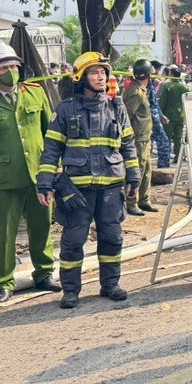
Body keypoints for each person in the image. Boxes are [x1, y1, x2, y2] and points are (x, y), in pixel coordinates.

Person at [36, 52, 140, 308]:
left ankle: (110, 285)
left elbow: (128, 144)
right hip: (77, 191)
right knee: (72, 243)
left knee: (112, 238)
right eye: (94, 72)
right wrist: (45, 183)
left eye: (103, 72)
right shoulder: (65, 110)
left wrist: (134, 176)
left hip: (111, 188)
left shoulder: (117, 107)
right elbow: (51, 150)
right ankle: (70, 290)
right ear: (81, 77)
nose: (101, 76)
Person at [0, 43, 59, 302]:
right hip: (4, 179)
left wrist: (53, 170)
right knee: (4, 233)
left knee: (42, 226)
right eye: (3, 67)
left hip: (38, 175)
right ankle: (5, 281)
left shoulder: (35, 93)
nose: (10, 71)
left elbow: (50, 135)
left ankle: (44, 273)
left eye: (13, 65)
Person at [122, 59, 156, 216]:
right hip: (137, 140)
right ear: (149, 75)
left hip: (145, 138)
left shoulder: (141, 90)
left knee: (147, 170)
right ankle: (131, 202)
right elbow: (126, 117)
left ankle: (144, 200)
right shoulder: (136, 92)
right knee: (138, 171)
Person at [158, 66, 188, 163]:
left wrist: (159, 113)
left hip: (168, 116)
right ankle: (178, 157)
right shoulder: (185, 87)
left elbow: (163, 101)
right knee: (178, 138)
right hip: (180, 115)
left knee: (166, 137)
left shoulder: (167, 86)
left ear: (171, 75)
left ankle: (165, 157)